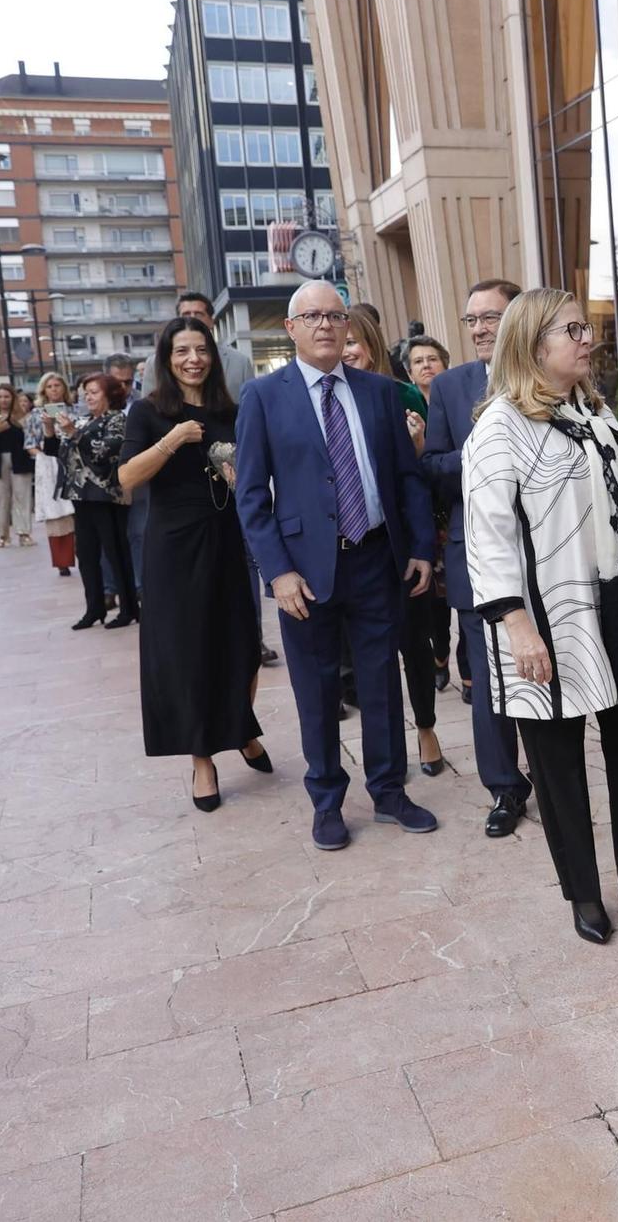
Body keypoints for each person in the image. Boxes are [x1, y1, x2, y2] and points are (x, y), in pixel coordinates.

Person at [464, 288, 618, 944]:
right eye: (573, 329)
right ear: (534, 344)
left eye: (584, 327)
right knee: (559, 761)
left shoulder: (591, 408)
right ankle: (584, 894)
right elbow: (488, 536)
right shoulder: (501, 426)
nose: (586, 337)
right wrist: (515, 625)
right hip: (545, 612)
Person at [234, 281, 438, 851]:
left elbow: (406, 478)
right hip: (304, 572)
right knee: (317, 691)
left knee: (380, 683)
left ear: (349, 326)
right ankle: (326, 801)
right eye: (312, 316)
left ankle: (390, 793)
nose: (325, 325)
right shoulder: (263, 397)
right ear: (291, 328)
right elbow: (251, 496)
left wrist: (421, 546)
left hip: (377, 559)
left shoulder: (379, 392)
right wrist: (277, 572)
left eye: (335, 315)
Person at [118, 318, 269, 809]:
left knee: (242, 646)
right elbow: (127, 476)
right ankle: (203, 759)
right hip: (174, 547)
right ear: (166, 358)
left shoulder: (232, 409)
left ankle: (241, 727)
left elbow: (247, 475)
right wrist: (173, 439)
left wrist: (237, 475)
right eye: (182, 351)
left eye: (201, 350)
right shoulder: (148, 412)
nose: (193, 360)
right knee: (188, 654)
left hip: (227, 540)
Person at [423, 278, 536, 837]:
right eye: (471, 320)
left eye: (490, 317)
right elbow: (434, 467)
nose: (480, 329)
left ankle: (553, 770)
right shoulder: (448, 387)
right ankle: (504, 788)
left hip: (547, 554)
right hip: (478, 558)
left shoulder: (544, 375)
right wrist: (486, 451)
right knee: (491, 683)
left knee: (547, 671)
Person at [339, 299, 442, 773]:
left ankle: (426, 728)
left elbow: (421, 472)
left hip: (402, 543)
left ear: (371, 342)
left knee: (414, 643)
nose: (346, 349)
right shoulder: (325, 396)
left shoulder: (401, 394)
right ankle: (385, 750)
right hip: (353, 549)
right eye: (339, 342)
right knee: (369, 659)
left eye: (353, 340)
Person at [58, 373, 137, 630]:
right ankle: (94, 608)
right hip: (80, 496)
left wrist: (75, 434)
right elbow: (59, 452)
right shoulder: (81, 420)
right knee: (86, 555)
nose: (88, 397)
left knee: (116, 553)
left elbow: (105, 451)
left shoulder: (117, 419)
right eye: (85, 393)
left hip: (106, 496)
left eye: (93, 392)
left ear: (109, 394)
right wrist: (52, 431)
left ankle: (128, 608)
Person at [404, 333, 458, 694]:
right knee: (437, 601)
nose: (426, 365)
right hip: (427, 517)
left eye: (432, 359)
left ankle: (467, 672)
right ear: (410, 374)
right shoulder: (408, 411)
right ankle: (441, 656)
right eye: (418, 362)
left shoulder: (458, 401)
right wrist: (418, 441)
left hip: (455, 509)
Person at [24, 372, 77, 579]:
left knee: (78, 512)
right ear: (43, 390)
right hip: (49, 466)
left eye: (57, 385)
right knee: (57, 515)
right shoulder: (35, 415)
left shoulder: (76, 411)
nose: (54, 389)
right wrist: (46, 458)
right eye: (50, 386)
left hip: (74, 464)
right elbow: (30, 444)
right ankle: (63, 562)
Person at [106, 353, 148, 597]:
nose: (123, 387)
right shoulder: (93, 402)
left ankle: (142, 587)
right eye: (117, 382)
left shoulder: (141, 404)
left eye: (128, 382)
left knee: (139, 532)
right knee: (110, 537)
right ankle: (111, 589)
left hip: (138, 478)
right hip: (104, 482)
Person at [0, 383, 33, 548]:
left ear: (13, 398)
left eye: (6, 396)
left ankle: (24, 533)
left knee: (22, 497)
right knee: (2, 500)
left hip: (20, 460)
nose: (3, 400)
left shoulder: (22, 416)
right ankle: (3, 535)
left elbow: (29, 438)